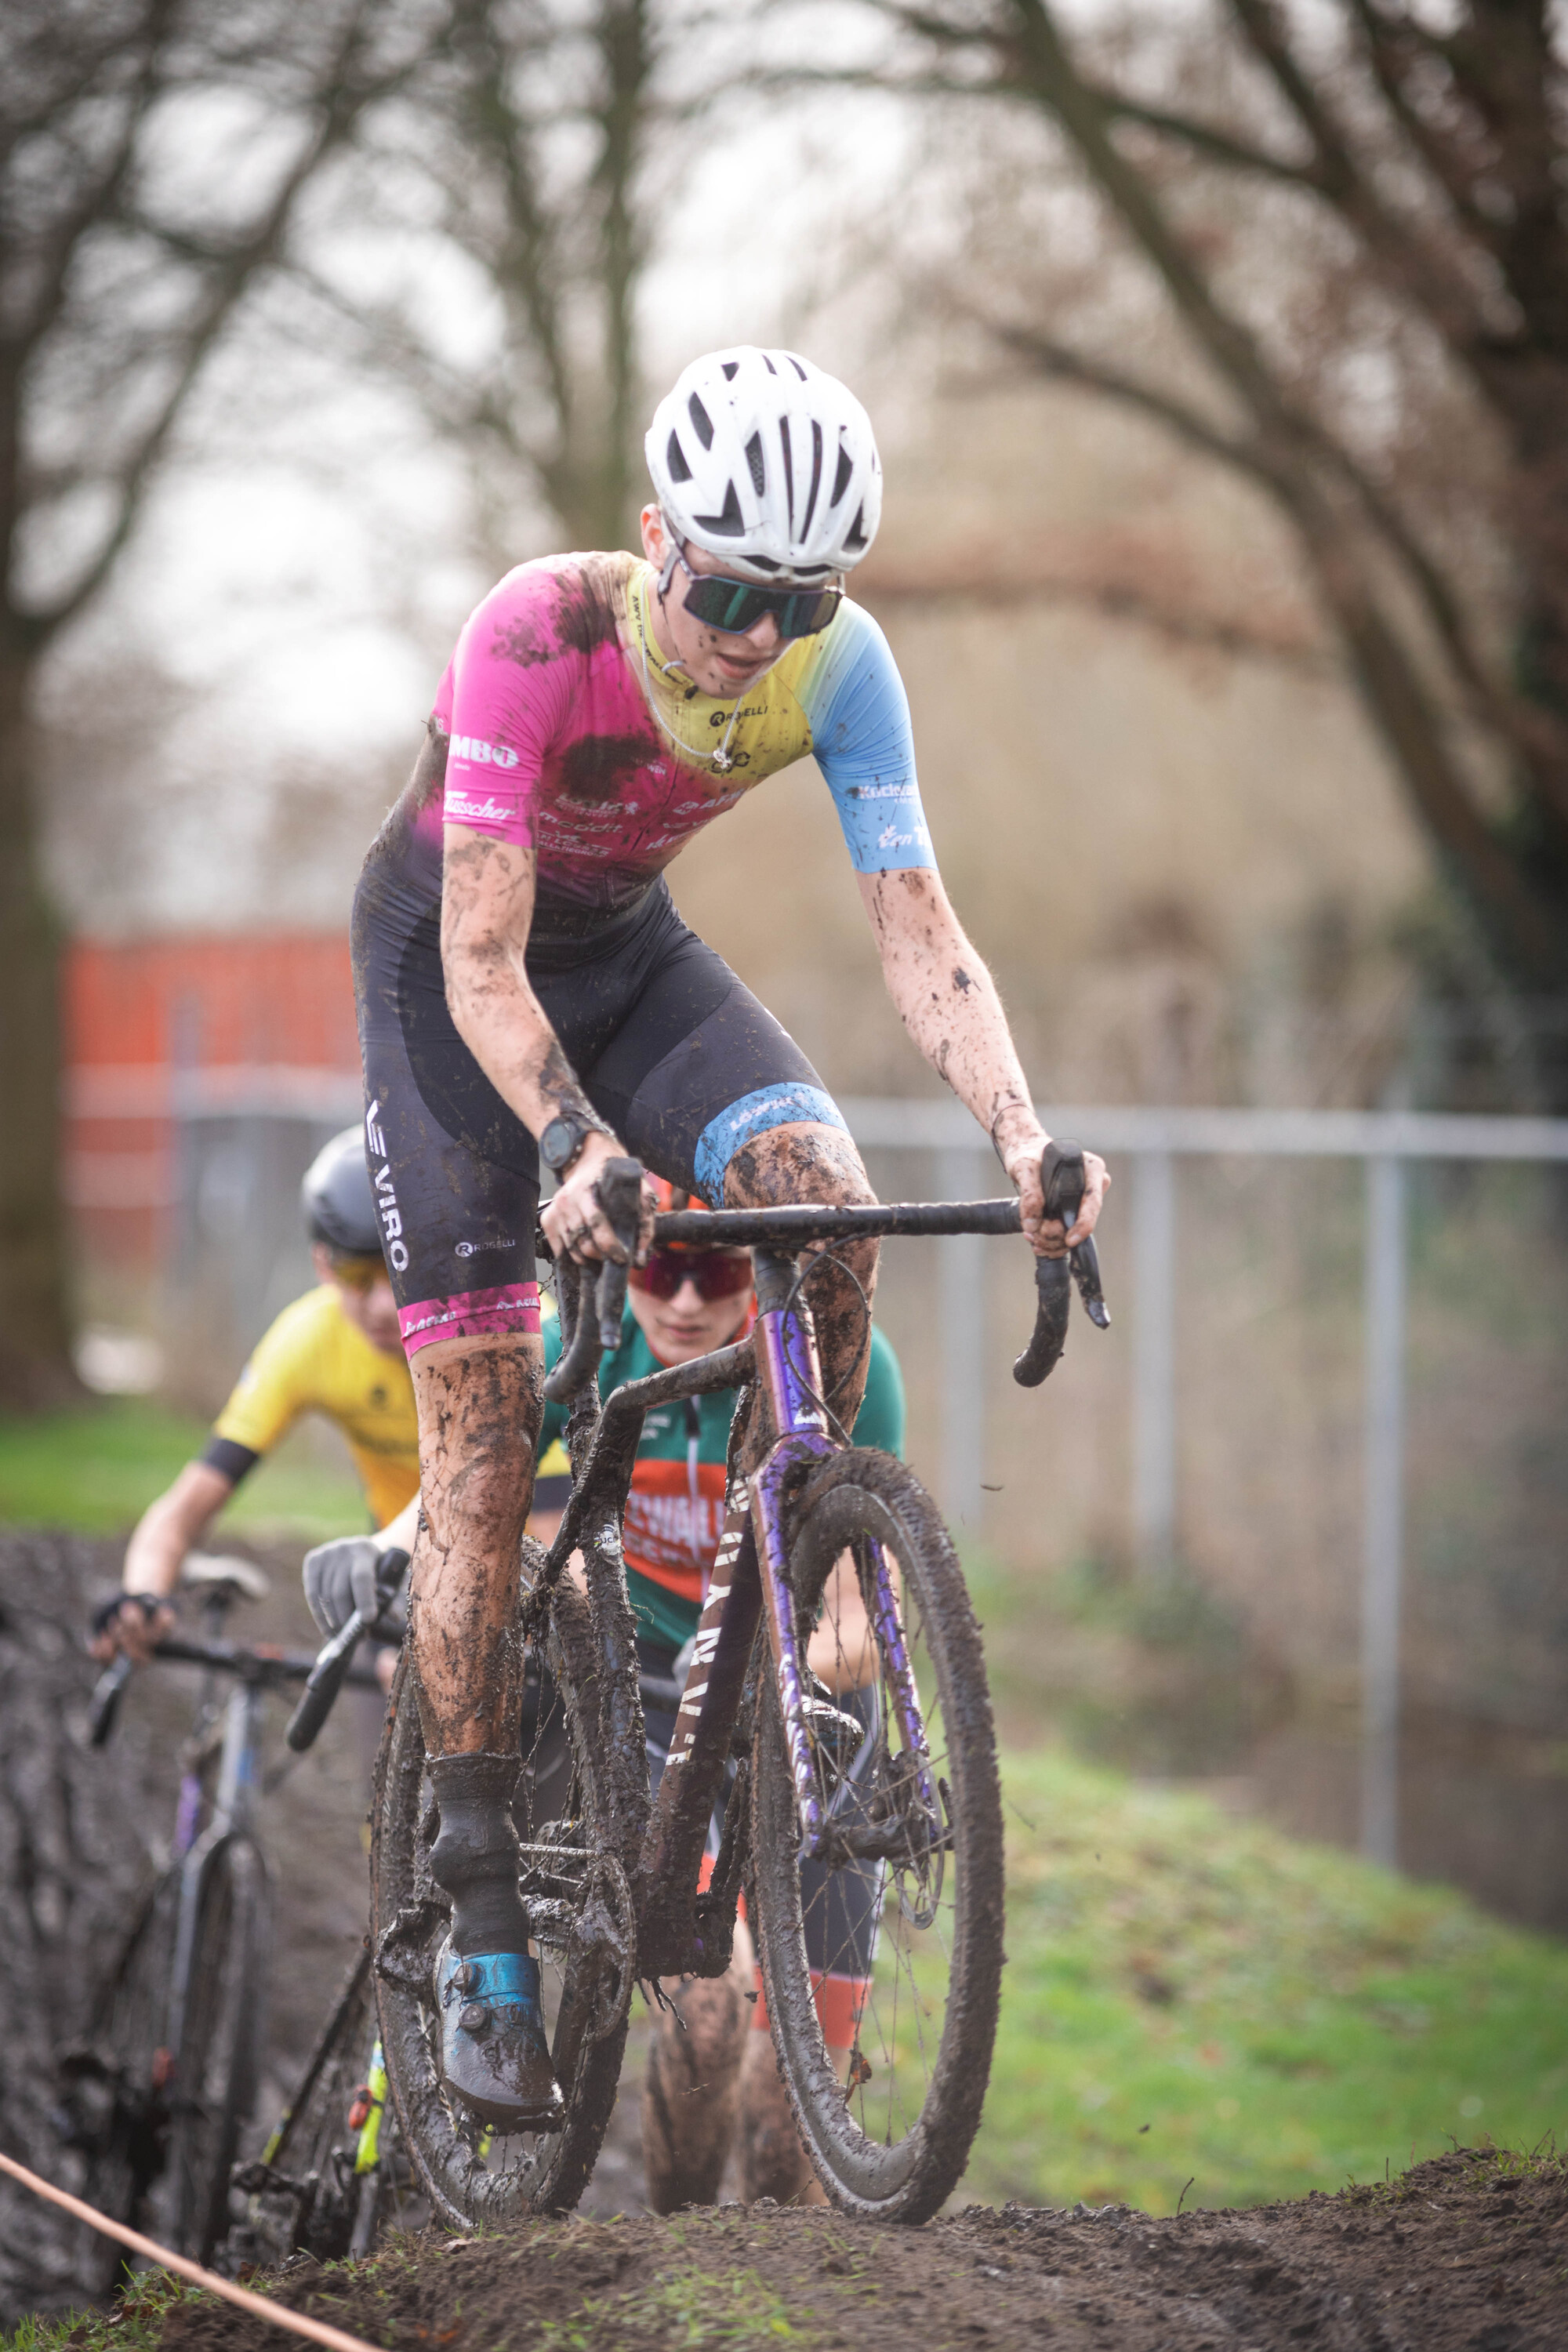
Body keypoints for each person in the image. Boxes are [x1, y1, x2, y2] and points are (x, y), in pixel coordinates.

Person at [350, 343, 1109, 2130]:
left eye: (801, 596)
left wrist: (1025, 1132)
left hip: (627, 960)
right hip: (450, 992)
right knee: (473, 1459)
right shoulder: (530, 640)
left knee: (821, 1196)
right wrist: (567, 1137)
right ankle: (480, 1929)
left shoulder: (841, 673)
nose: (755, 635)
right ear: (649, 544)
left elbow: (917, 930)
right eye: (726, 589)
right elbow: (475, 961)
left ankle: (782, 1599)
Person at [528, 1182, 902, 2206]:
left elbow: (865, 1605)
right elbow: (506, 1531)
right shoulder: (581, 1349)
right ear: (622, 1263)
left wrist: (824, 1648)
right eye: (661, 1266)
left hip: (803, 1717)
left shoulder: (838, 1356)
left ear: (759, 1268)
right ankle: (678, 2260)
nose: (685, 1300)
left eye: (718, 1267)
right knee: (702, 2008)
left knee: (798, 2123)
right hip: (651, 1700)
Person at [92, 1128, 422, 1664]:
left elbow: (547, 1523)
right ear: (322, 1265)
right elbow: (184, 1508)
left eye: (400, 1270)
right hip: (396, 1565)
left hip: (532, 1559)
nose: (383, 1305)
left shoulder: (490, 1333)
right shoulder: (308, 1339)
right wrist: (143, 1594)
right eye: (357, 1276)